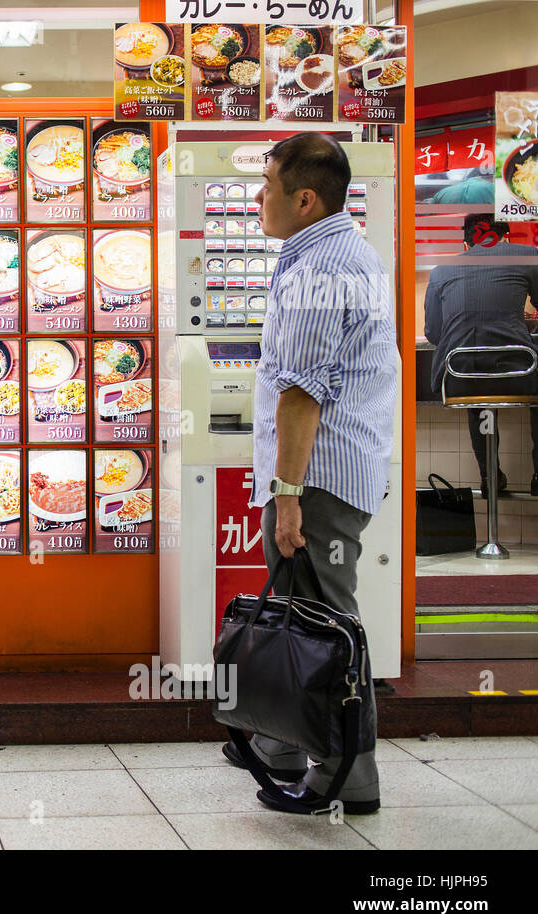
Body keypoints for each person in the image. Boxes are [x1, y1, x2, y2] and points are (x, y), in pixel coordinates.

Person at [224, 132, 399, 815]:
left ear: (304, 197)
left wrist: (288, 496)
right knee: (303, 615)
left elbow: (301, 392)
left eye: (265, 186)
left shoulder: (317, 271)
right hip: (336, 468)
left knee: (326, 622)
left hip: (318, 478)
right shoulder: (348, 253)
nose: (256, 198)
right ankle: (282, 744)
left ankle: (347, 776)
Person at [423, 215, 538, 497]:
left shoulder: (440, 271)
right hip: (518, 374)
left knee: (479, 393)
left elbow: (433, 332)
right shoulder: (528, 256)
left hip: (460, 377)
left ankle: (489, 476)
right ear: (507, 237)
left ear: (466, 242)